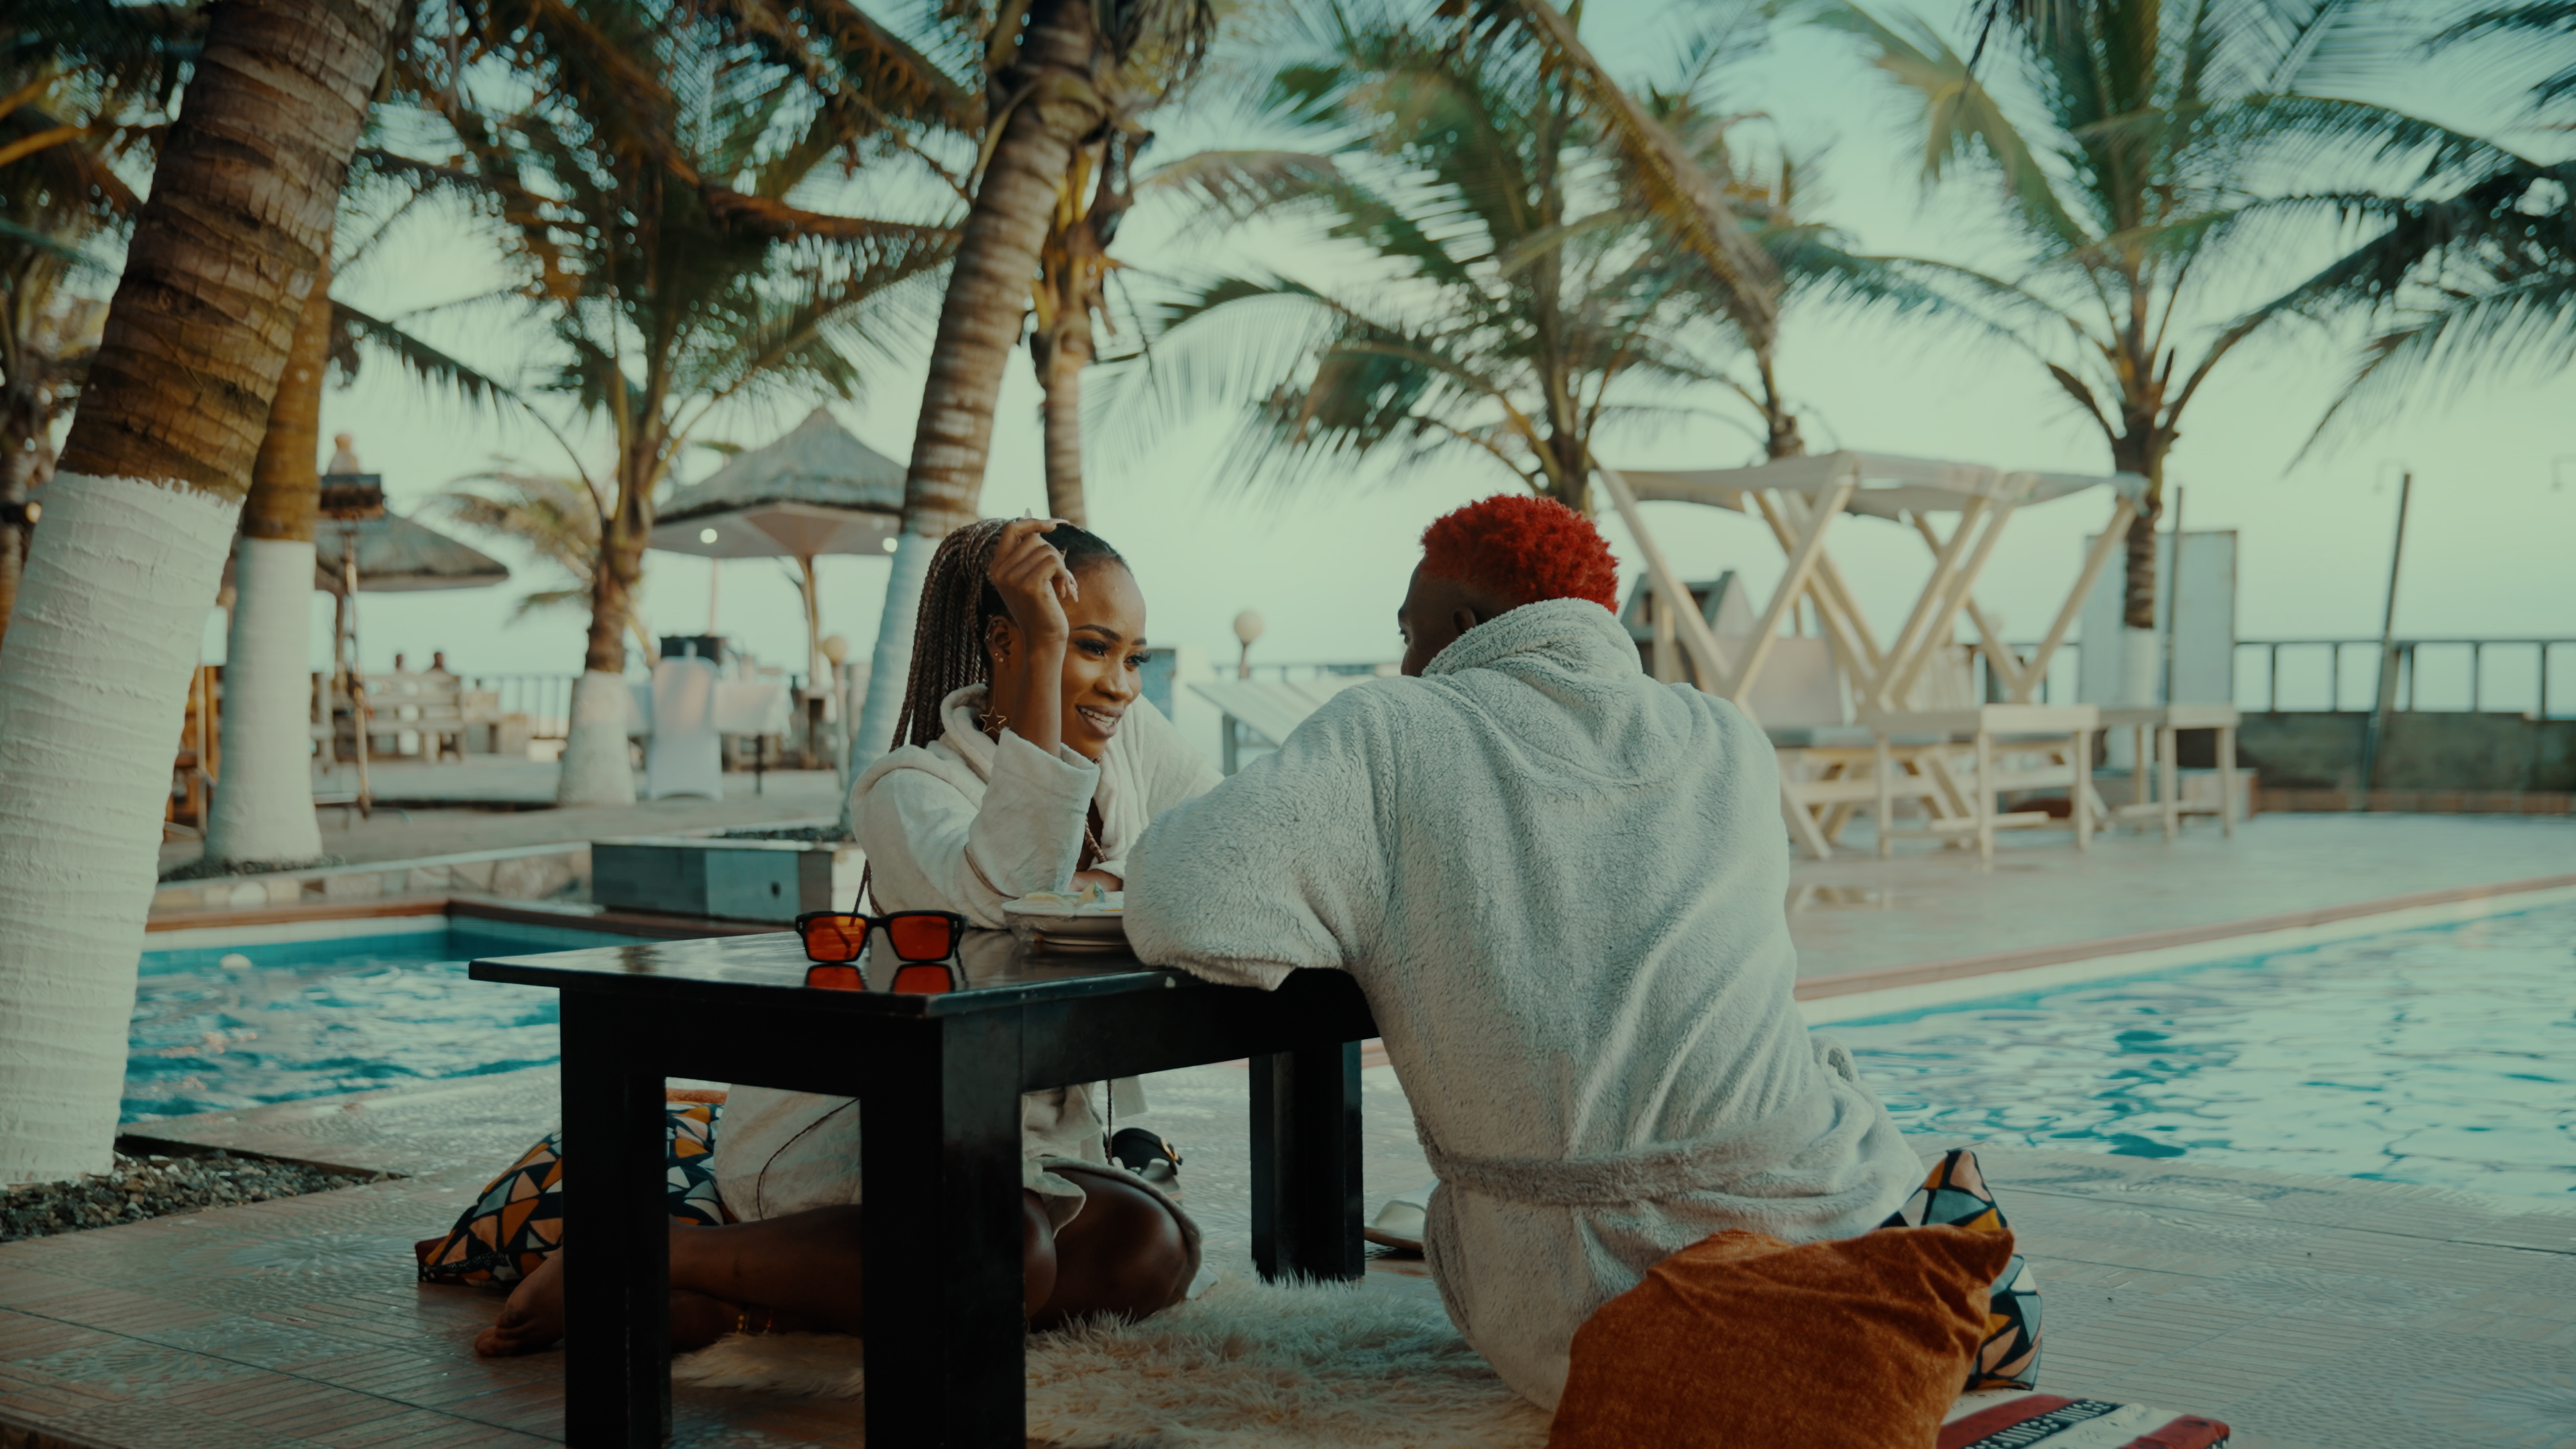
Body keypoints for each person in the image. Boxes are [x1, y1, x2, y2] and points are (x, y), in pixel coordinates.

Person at [1122, 494, 1920, 1410]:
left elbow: (1178, 899)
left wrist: (1348, 910)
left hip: (1585, 1301)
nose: (1405, 662)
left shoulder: (1393, 730)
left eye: (1409, 634)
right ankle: (1926, 1263)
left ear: (1467, 628)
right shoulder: (1726, 736)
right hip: (1828, 1212)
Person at [475, 518, 1210, 1357]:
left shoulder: (1118, 750)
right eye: (1091, 647)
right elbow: (1019, 888)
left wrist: (1109, 881)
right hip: (861, 1127)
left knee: (1153, 1250)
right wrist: (1048, 648)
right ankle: (649, 1248)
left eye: (1133, 657)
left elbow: (1231, 833)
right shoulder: (906, 790)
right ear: (1007, 641)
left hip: (1017, 1139)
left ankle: (758, 1309)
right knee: (1003, 1254)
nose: (1121, 685)